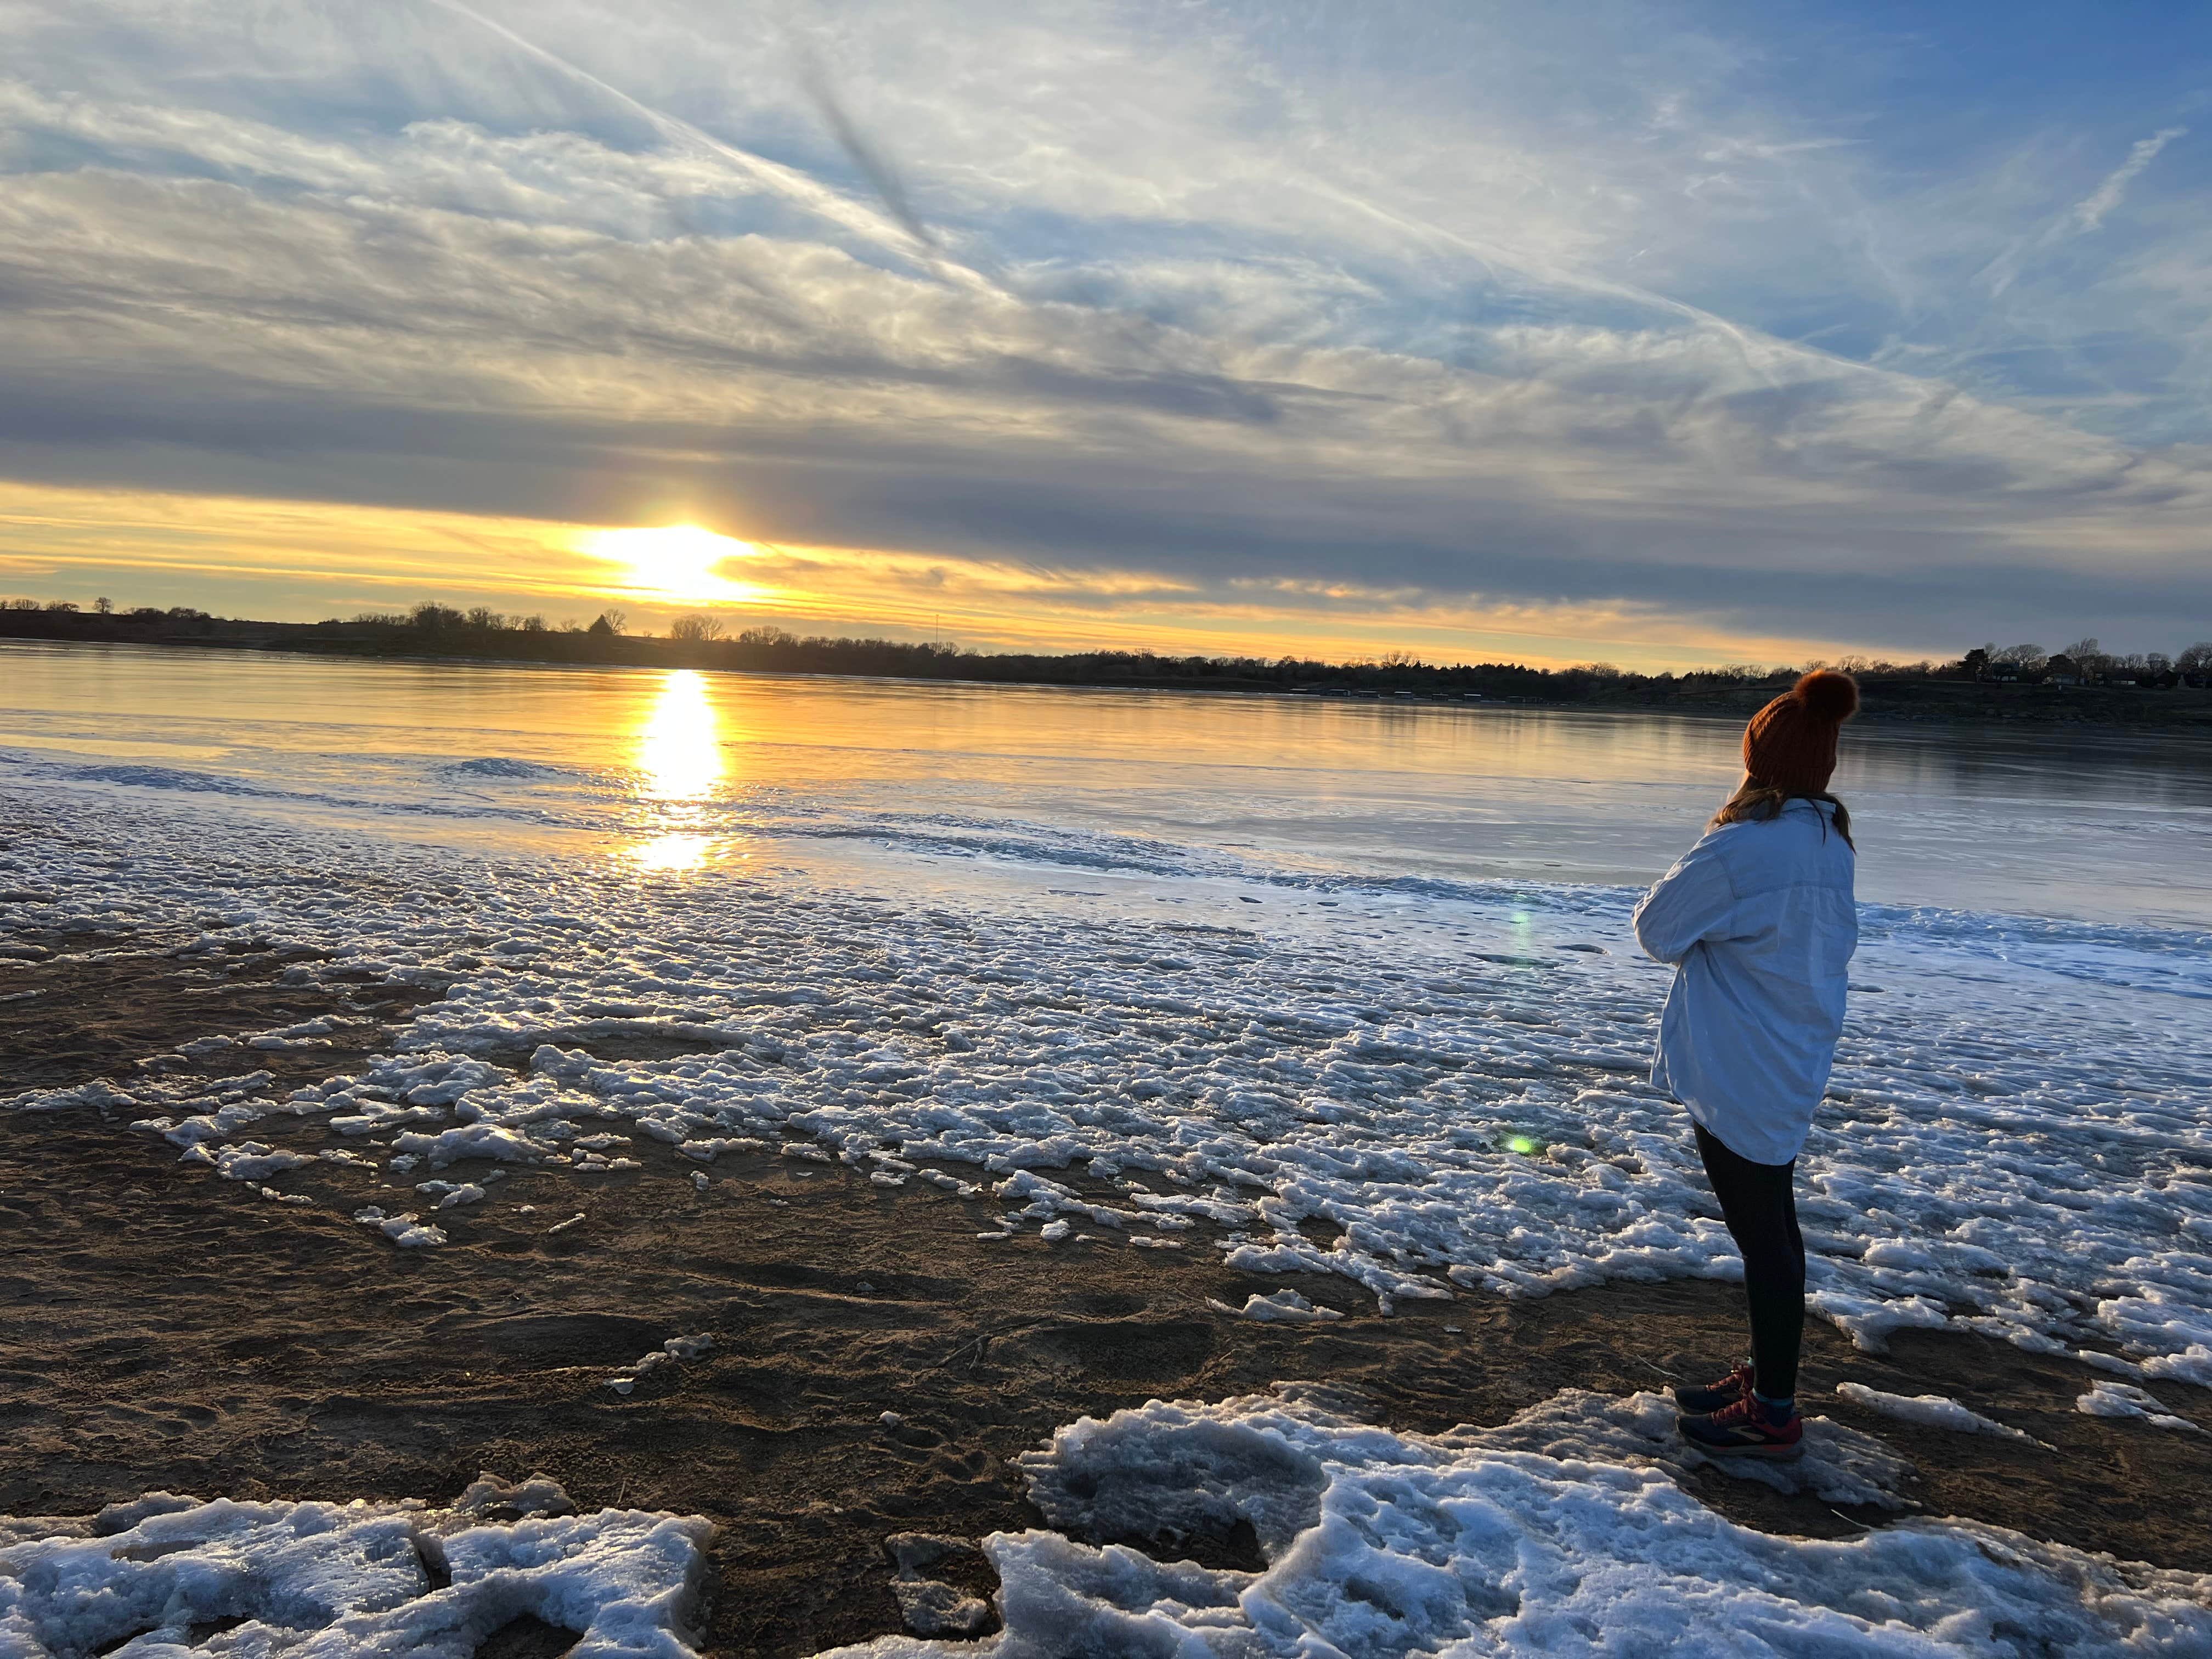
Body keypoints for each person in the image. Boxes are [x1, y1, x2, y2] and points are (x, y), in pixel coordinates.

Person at [1631, 669, 1860, 1459]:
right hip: (1793, 1049)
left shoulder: (1744, 845)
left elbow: (1658, 930)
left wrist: (1715, 843)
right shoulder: (1830, 840)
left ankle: (1774, 1411)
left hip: (1741, 1062)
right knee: (1775, 1224)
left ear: (1759, 759)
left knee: (1764, 1236)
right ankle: (1768, 1378)